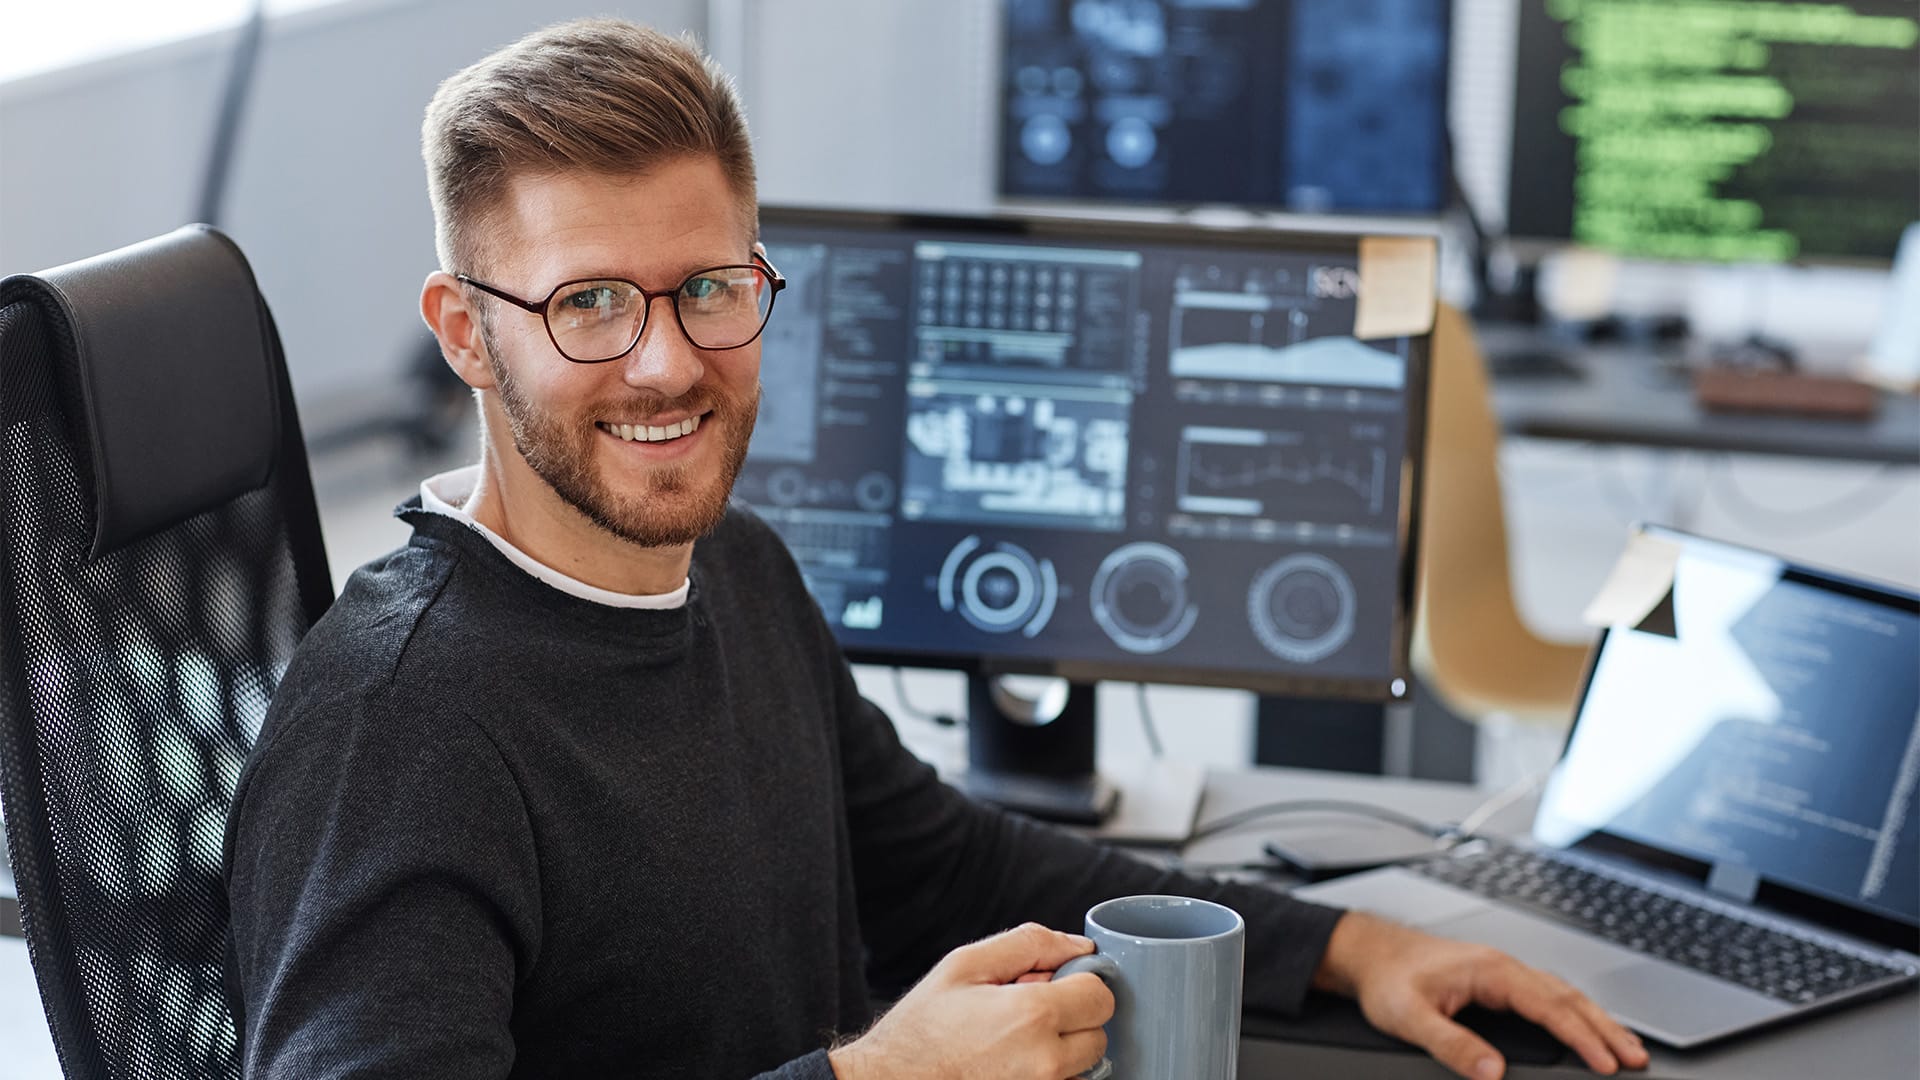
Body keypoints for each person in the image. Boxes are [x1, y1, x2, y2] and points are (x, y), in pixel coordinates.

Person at [222, 18, 1650, 1080]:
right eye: (588, 304)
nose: (668, 363)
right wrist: (876, 1076)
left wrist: (1347, 949)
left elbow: (950, 868)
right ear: (466, 330)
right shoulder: (398, 729)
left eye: (711, 288)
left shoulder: (737, 573)